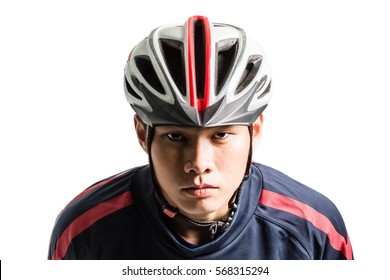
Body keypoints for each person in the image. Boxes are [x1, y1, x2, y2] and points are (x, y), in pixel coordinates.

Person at [48, 15, 353, 260]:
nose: (198, 164)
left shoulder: (315, 227)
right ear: (143, 133)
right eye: (176, 136)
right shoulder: (83, 230)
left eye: (221, 135)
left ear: (254, 131)